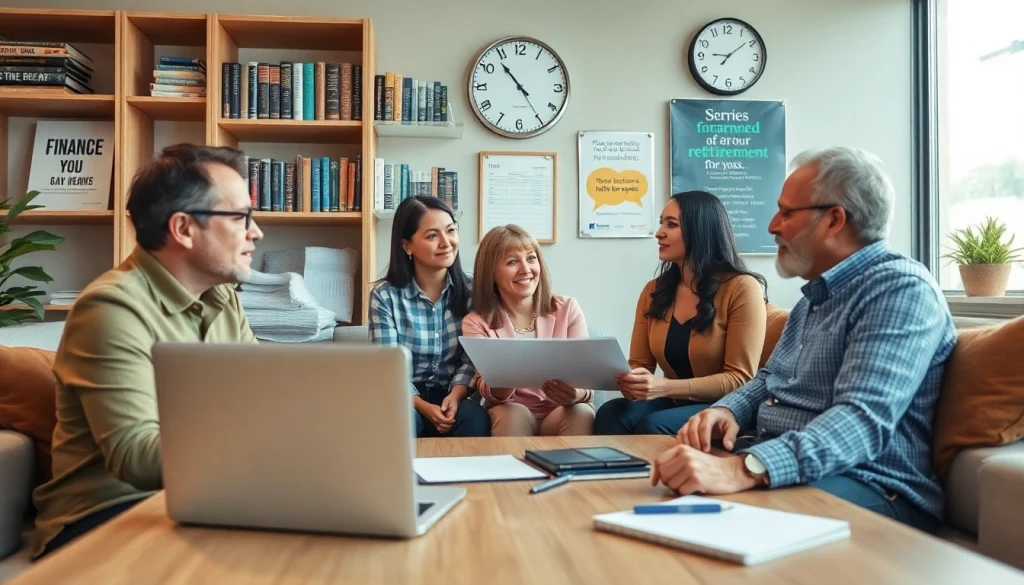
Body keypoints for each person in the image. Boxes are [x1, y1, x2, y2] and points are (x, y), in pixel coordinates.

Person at [652, 147, 956, 534]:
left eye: (787, 212)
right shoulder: (814, 298)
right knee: (663, 496)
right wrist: (727, 411)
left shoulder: (899, 290)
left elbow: (861, 421)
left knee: (697, 521)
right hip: (787, 461)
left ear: (834, 219)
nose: (772, 226)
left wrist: (746, 467)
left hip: (871, 484)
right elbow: (768, 380)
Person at [30, 144, 263, 558]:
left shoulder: (223, 298)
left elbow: (267, 397)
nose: (256, 231)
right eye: (241, 216)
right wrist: (273, 447)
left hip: (205, 500)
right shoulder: (110, 307)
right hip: (103, 515)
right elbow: (135, 456)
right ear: (184, 228)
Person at [593, 190, 768, 436]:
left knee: (653, 426)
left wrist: (664, 387)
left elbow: (739, 379)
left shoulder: (741, 288)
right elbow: (639, 364)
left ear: (701, 231)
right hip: (673, 401)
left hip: (724, 407)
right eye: (661, 223)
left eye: (671, 224)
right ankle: (607, 475)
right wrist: (633, 383)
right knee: (611, 413)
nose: (659, 233)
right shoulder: (653, 290)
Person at [368, 196, 490, 438]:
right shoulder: (385, 296)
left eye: (451, 231)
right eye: (433, 235)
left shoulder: (472, 291)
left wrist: (455, 396)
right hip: (404, 396)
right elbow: (388, 367)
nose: (446, 243)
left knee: (475, 419)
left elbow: (471, 359)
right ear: (407, 246)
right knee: (401, 420)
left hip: (454, 392)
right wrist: (423, 406)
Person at [462, 225, 595, 436]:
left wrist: (576, 394)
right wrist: (508, 376)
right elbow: (485, 388)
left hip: (560, 410)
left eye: (531, 258)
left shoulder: (567, 308)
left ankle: (572, 470)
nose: (526, 269)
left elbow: (587, 377)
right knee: (513, 414)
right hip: (512, 410)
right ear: (492, 273)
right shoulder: (476, 322)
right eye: (512, 262)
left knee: (580, 412)